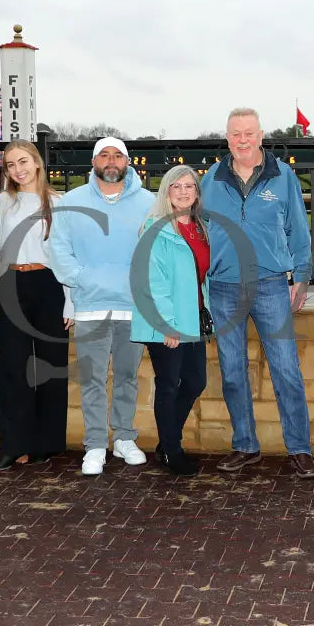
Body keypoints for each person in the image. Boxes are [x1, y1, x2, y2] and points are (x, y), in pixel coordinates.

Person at [200, 108, 314, 478]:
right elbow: (199, 233)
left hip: (270, 285)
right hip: (223, 287)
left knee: (286, 370)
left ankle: (299, 448)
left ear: (261, 135)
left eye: (249, 132)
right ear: (228, 137)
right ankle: (245, 445)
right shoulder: (210, 179)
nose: (243, 139)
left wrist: (302, 275)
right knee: (233, 372)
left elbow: (298, 229)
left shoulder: (283, 177)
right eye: (236, 133)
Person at [49, 136, 154, 476]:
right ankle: (95, 444)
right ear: (94, 163)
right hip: (91, 306)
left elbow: (157, 250)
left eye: (118, 155)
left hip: (132, 306)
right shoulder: (72, 201)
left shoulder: (149, 203)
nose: (111, 161)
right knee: (93, 379)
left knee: (126, 376)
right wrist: (84, 279)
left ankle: (124, 438)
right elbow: (59, 250)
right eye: (104, 155)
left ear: (128, 162)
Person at [0, 140, 73, 472]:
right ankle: (14, 446)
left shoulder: (58, 203)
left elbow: (64, 257)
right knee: (12, 367)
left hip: (49, 286)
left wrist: (70, 303)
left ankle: (45, 445)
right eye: (10, 164)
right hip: (13, 284)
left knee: (50, 367)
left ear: (37, 163)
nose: (17, 169)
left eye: (23, 161)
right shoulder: (5, 201)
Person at [130, 165, 209, 477]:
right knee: (169, 385)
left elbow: (200, 275)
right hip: (166, 322)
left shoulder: (200, 227)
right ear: (166, 192)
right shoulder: (156, 228)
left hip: (194, 318)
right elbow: (154, 281)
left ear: (197, 193)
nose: (184, 191)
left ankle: (167, 443)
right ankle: (172, 451)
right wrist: (167, 325)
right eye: (176, 186)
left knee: (195, 381)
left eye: (190, 186)